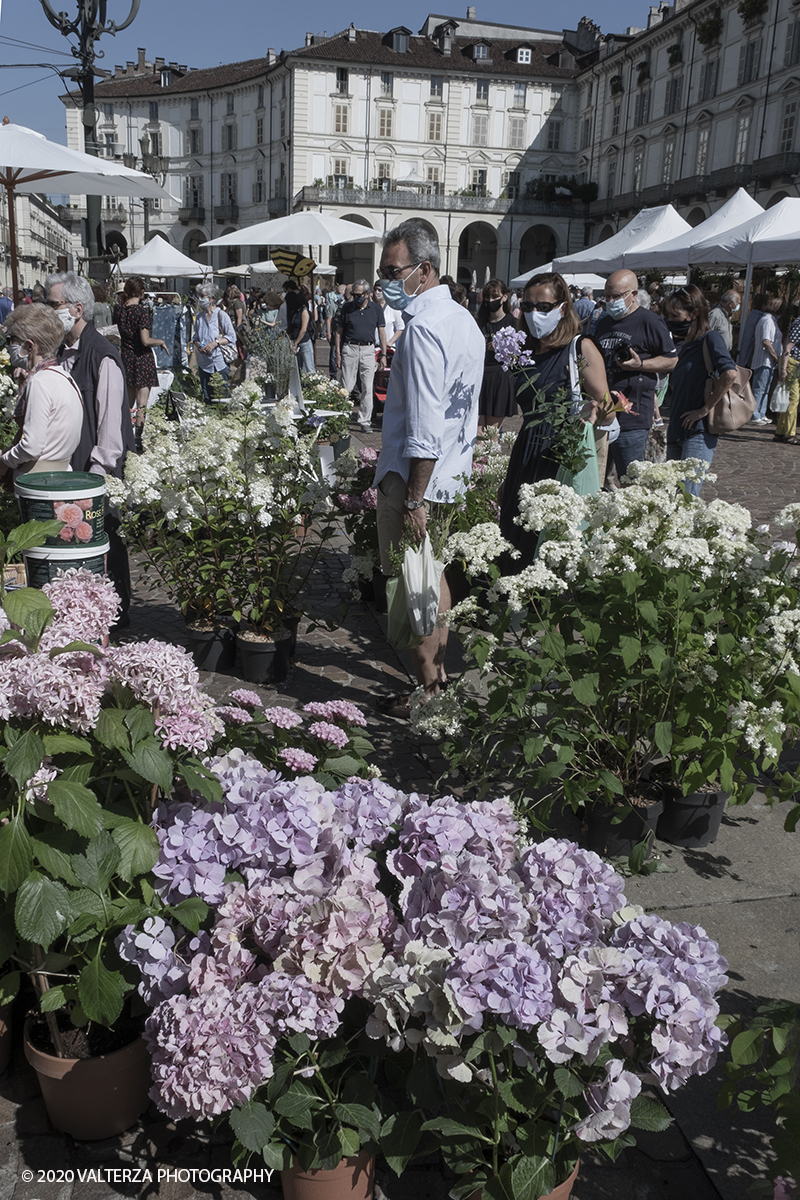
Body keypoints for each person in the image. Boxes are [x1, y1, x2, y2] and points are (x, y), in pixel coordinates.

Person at [374, 219, 484, 715]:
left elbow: (424, 424)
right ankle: (437, 685)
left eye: (393, 271)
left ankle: (431, 695)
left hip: (417, 476)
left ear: (425, 270)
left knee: (412, 584)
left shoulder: (424, 330)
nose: (385, 281)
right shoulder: (465, 320)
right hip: (451, 473)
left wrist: (414, 497)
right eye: (382, 271)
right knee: (433, 578)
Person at [499, 272, 610, 564]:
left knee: (551, 534)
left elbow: (605, 400)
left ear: (562, 307)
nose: (535, 313)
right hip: (528, 448)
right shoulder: (524, 352)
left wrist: (591, 413)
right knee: (516, 529)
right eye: (528, 306)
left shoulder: (579, 347)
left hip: (562, 451)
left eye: (544, 306)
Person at [45, 270, 135, 626]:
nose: (48, 311)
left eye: (54, 305)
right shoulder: (64, 350)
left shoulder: (103, 355)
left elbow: (111, 429)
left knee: (106, 541)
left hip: (97, 474)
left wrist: (95, 481)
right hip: (73, 470)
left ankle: (117, 615)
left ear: (77, 309)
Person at [592, 269, 678, 477]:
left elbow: (672, 361)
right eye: (607, 296)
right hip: (602, 411)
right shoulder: (603, 322)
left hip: (633, 416)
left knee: (631, 480)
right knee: (596, 479)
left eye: (617, 296)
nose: (611, 301)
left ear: (634, 294)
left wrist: (641, 364)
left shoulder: (650, 322)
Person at [661, 285, 738, 495]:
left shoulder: (710, 339)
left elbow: (730, 374)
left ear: (694, 313)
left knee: (686, 496)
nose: (671, 320)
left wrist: (705, 409)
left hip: (698, 431)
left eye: (676, 315)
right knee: (671, 495)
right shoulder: (684, 345)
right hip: (677, 428)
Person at [0, 304, 82, 479]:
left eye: (11, 340)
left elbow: (32, 446)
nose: (8, 347)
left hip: (37, 481)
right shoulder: (66, 377)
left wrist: (5, 459)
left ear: (30, 346)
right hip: (60, 475)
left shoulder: (40, 381)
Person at [112, 277, 169, 434]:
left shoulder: (118, 310)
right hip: (142, 359)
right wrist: (160, 342)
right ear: (142, 292)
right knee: (141, 405)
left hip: (126, 357)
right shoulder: (141, 312)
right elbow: (145, 341)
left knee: (128, 404)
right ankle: (137, 439)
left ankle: (123, 435)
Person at [335, 279, 387, 432]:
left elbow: (382, 333)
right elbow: (339, 332)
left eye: (358, 294)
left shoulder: (376, 309)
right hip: (350, 347)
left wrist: (383, 354)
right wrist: (338, 353)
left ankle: (365, 420)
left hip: (368, 350)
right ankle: (341, 416)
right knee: (346, 385)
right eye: (353, 294)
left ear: (366, 293)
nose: (355, 297)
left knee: (367, 386)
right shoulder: (347, 307)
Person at [474, 277, 518, 429]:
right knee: (476, 432)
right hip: (480, 377)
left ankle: (492, 453)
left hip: (500, 378)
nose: (490, 300)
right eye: (487, 297)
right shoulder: (479, 322)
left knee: (491, 433)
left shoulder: (512, 323)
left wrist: (503, 347)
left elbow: (519, 354)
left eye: (494, 296)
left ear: (505, 297)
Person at [191, 283, 237, 402]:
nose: (200, 299)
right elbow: (195, 337)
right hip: (204, 363)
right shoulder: (200, 317)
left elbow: (232, 337)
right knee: (207, 398)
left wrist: (215, 343)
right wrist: (200, 346)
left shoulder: (222, 315)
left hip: (219, 362)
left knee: (221, 397)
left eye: (203, 296)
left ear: (212, 298)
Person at [748, 296, 783, 426]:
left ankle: (761, 413)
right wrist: (775, 356)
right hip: (764, 360)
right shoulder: (767, 320)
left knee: (765, 389)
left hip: (768, 362)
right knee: (759, 388)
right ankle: (755, 414)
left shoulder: (770, 320)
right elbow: (766, 341)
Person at [776, 310, 800, 444]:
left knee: (789, 399)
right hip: (792, 364)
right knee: (793, 399)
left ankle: (781, 431)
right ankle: (789, 433)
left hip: (795, 364)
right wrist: (783, 369)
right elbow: (787, 347)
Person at [372, 282, 404, 349]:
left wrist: (391, 342)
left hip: (388, 348)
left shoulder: (393, 308)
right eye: (375, 290)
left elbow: (400, 327)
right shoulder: (370, 307)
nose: (377, 292)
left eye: (379, 290)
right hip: (373, 348)